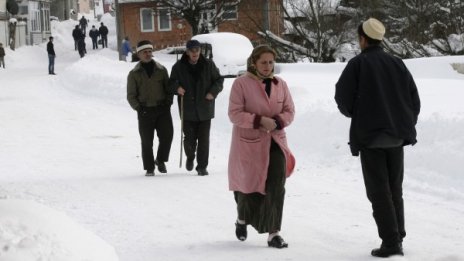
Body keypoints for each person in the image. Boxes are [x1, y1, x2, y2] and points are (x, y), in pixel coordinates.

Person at [334, 18, 421, 258]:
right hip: (397, 137)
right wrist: (404, 122)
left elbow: (342, 98)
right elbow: (414, 100)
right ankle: (397, 234)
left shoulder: (358, 64)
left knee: (378, 191)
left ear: (362, 38)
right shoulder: (397, 63)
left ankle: (391, 242)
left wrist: (358, 115)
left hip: (371, 138)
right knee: (395, 189)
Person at [228, 45, 296, 248]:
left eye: (270, 62)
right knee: (249, 187)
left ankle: (274, 233)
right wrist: (258, 120)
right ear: (253, 63)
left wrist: (278, 120)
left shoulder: (280, 84)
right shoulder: (241, 84)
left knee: (276, 185)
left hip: (275, 141)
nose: (267, 67)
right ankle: (242, 220)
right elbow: (234, 113)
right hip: (249, 143)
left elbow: (290, 110)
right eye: (263, 62)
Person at [169, 39, 223, 176]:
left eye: (197, 50)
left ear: (200, 51)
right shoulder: (178, 67)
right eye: (192, 51)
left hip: (205, 108)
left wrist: (213, 92)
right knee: (189, 139)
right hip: (187, 109)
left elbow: (219, 80)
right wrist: (177, 88)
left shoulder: (209, 65)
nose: (195, 53)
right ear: (187, 52)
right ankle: (190, 156)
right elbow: (170, 83)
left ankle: (202, 166)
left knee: (204, 140)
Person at [127, 40, 174, 176]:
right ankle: (149, 167)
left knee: (167, 136)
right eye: (144, 52)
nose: (148, 54)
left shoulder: (161, 70)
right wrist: (139, 108)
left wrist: (168, 103)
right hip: (145, 111)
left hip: (162, 109)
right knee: (147, 141)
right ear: (139, 54)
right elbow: (131, 95)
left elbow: (169, 89)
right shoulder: (134, 74)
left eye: (149, 51)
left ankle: (160, 160)